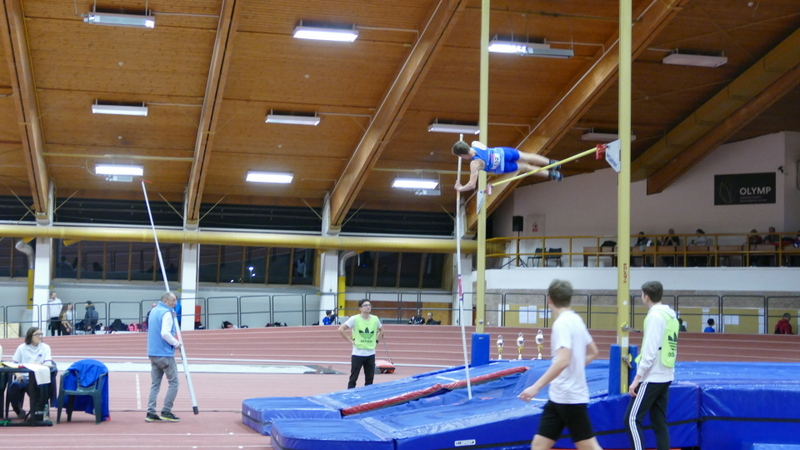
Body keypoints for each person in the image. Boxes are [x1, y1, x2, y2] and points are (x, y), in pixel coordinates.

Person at [518, 279, 603, 450]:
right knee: (538, 445)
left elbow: (563, 360)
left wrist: (536, 387)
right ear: (569, 298)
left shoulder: (561, 324)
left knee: (589, 447)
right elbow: (594, 352)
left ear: (549, 299)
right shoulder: (576, 320)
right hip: (558, 397)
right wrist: (576, 366)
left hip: (569, 398)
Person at [625, 281, 679, 450]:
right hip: (666, 374)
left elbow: (649, 352)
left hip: (653, 376)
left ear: (646, 297)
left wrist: (637, 379)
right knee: (659, 421)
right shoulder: (670, 315)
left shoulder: (655, 317)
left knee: (631, 419)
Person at [452, 140, 562, 192]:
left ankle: (553, 174)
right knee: (527, 156)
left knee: (526, 167)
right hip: (503, 152)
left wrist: (460, 188)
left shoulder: (475, 164)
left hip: (502, 166)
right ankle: (553, 163)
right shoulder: (475, 143)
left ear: (462, 155)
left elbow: (471, 185)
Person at [146, 292, 182, 423]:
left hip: (153, 353)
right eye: (173, 301)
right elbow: (165, 333)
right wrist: (176, 343)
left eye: (175, 300)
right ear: (165, 301)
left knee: (155, 384)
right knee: (174, 383)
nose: (175, 303)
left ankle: (150, 412)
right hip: (165, 354)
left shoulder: (154, 311)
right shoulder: (166, 313)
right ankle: (166, 411)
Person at [9, 327, 55, 421]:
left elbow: (49, 364)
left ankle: (37, 413)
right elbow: (13, 364)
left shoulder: (45, 347)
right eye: (37, 334)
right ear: (30, 336)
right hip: (24, 377)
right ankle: (18, 411)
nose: (40, 336)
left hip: (39, 378)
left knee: (37, 390)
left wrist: (40, 364)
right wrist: (18, 374)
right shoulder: (22, 348)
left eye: (41, 334)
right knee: (14, 386)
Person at [338, 299, 383, 389]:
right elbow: (341, 329)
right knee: (353, 378)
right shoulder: (354, 319)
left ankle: (367, 395)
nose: (368, 307)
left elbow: (381, 330)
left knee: (369, 379)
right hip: (358, 353)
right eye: (365, 305)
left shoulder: (375, 319)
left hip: (370, 353)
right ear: (360, 308)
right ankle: (350, 393)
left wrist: (376, 341)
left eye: (369, 305)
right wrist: (350, 340)